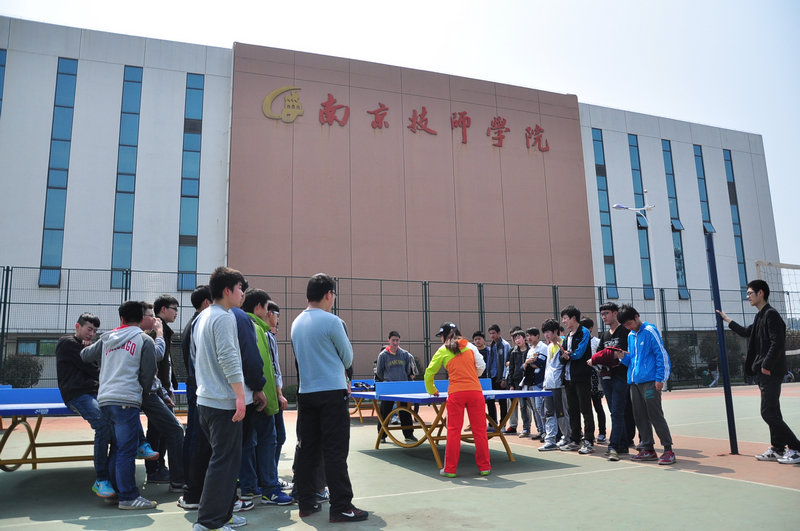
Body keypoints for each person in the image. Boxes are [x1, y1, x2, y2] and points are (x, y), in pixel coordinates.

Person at [290, 273, 367, 522]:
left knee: (307, 449)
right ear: (328, 294)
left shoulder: (296, 323)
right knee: (335, 451)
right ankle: (341, 506)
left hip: (306, 393)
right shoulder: (332, 321)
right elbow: (348, 358)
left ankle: (306, 503)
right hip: (332, 393)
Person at [80, 301, 158, 510]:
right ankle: (128, 496)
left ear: (121, 318)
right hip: (127, 399)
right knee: (126, 450)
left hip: (105, 399)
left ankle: (115, 492)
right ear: (141, 319)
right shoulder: (144, 340)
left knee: (117, 447)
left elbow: (85, 355)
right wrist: (142, 391)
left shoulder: (107, 338)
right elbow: (148, 373)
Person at [192, 266, 250, 530]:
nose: (242, 294)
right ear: (227, 290)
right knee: (224, 463)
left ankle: (223, 515)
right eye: (239, 288)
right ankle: (209, 522)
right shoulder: (224, 317)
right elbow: (228, 357)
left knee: (224, 461)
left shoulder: (203, 316)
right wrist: (240, 396)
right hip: (222, 402)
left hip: (206, 400)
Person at [718, 279, 800, 464]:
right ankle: (778, 448)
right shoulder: (760, 316)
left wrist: (766, 365)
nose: (747, 296)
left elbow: (777, 342)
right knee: (773, 412)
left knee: (767, 413)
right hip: (763, 372)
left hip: (770, 372)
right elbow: (747, 332)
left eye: (749, 293)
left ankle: (796, 448)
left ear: (760, 293)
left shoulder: (771, 315)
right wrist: (727, 320)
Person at [241, 288, 292, 505]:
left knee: (248, 442)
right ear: (259, 308)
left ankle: (250, 487)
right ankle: (269, 487)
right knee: (269, 439)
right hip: (258, 397)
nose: (270, 313)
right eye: (267, 308)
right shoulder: (255, 329)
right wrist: (263, 392)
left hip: (245, 397)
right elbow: (260, 366)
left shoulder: (243, 324)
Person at [56, 312, 114, 497]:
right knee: (103, 424)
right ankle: (101, 479)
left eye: (95, 331)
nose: (92, 334)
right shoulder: (67, 343)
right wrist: (90, 354)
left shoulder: (86, 347)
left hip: (95, 393)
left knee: (118, 418)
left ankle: (118, 469)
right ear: (77, 326)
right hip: (77, 395)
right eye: (89, 329)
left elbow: (96, 370)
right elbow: (93, 369)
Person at [424, 322, 490, 477]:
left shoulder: (443, 350)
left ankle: (450, 469)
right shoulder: (471, 347)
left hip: (456, 393)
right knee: (480, 431)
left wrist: (432, 390)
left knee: (453, 431)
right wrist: (471, 375)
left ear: (444, 335)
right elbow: (481, 366)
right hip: (475, 392)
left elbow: (429, 373)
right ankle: (485, 467)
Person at [616, 305, 676, 465]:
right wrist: (622, 357)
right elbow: (632, 359)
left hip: (650, 382)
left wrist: (660, 378)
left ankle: (668, 450)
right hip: (634, 382)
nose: (628, 327)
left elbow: (661, 354)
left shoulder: (650, 331)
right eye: (625, 325)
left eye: (629, 323)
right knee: (639, 416)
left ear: (637, 317)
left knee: (655, 414)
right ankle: (648, 449)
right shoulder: (631, 335)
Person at [588, 302, 631, 461]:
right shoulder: (605, 335)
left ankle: (613, 446)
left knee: (618, 411)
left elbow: (624, 354)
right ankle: (623, 444)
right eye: (602, 314)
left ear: (615, 313)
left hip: (621, 376)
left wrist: (609, 355)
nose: (604, 317)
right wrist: (607, 356)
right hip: (606, 377)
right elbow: (599, 355)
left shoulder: (625, 332)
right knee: (615, 411)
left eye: (606, 313)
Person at [145, 295, 180, 483]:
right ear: (164, 309)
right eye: (174, 308)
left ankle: (158, 467)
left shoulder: (164, 331)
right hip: (158, 391)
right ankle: (155, 469)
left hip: (164, 389)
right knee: (159, 431)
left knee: (162, 431)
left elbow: (166, 362)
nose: (177, 312)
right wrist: (163, 390)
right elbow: (156, 364)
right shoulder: (157, 332)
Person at [559, 306, 595, 454]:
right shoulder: (568, 335)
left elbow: (579, 353)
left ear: (573, 318)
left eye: (565, 318)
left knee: (585, 409)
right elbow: (562, 357)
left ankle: (589, 441)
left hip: (581, 377)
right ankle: (575, 440)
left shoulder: (584, 332)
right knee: (572, 410)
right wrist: (564, 356)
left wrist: (569, 355)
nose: (563, 321)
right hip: (568, 378)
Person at [376, 331, 417, 443]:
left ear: (399, 341)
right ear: (389, 340)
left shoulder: (405, 354)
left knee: (405, 411)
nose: (395, 342)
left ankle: (409, 435)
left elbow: (408, 370)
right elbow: (379, 372)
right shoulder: (383, 355)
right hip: (388, 387)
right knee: (385, 411)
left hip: (403, 387)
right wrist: (388, 380)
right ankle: (382, 435)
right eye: (393, 340)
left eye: (397, 340)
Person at [538, 319, 570, 451]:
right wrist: (545, 384)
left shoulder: (565, 343)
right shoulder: (549, 346)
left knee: (562, 413)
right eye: (544, 332)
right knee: (549, 413)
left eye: (548, 332)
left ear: (556, 331)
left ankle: (567, 437)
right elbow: (548, 367)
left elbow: (566, 361)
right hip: (549, 384)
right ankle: (550, 440)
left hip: (560, 384)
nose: (546, 335)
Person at [581, 317, 607, 444]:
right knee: (584, 408)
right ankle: (587, 433)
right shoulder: (579, 342)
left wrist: (594, 365)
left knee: (597, 405)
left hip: (594, 376)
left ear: (590, 329)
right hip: (582, 377)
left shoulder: (597, 342)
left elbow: (601, 359)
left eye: (585, 328)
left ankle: (602, 432)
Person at [522, 327, 547, 440]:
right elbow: (524, 366)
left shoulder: (543, 347)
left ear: (537, 336)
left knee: (540, 407)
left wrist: (528, 363)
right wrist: (528, 362)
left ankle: (546, 431)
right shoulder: (530, 349)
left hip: (539, 381)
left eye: (531, 335)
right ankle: (540, 430)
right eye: (527, 336)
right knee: (535, 408)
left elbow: (539, 364)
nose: (529, 338)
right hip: (530, 381)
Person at [486, 324, 512, 429]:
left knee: (502, 402)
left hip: (500, 377)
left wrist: (504, 378)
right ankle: (492, 423)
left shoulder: (505, 345)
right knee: (490, 401)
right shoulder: (492, 345)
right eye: (490, 333)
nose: (492, 335)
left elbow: (506, 362)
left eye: (494, 333)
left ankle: (503, 424)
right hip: (491, 376)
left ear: (499, 333)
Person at [506, 329, 529, 436]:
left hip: (528, 381)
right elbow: (511, 369)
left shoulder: (531, 350)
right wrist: (510, 384)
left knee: (528, 406)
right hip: (516, 382)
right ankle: (521, 427)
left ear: (524, 338)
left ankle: (531, 427)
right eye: (515, 339)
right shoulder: (513, 352)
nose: (517, 340)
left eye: (519, 338)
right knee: (518, 405)